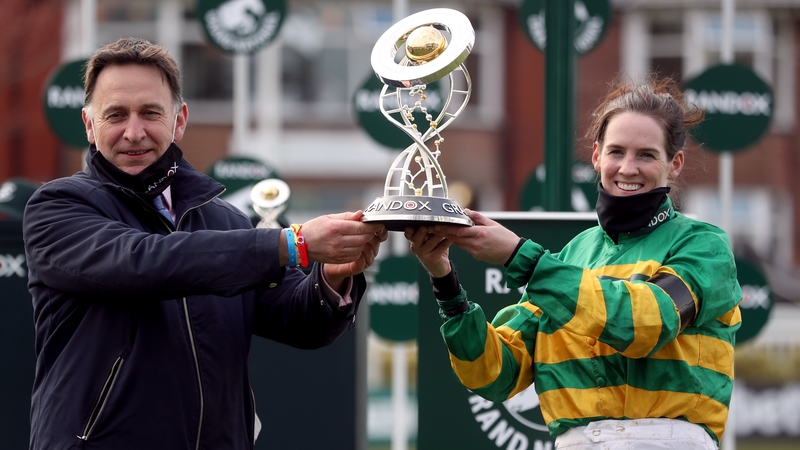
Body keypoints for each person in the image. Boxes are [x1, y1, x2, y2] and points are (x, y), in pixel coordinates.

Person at [23, 37, 387, 450]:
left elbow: (300, 322)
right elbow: (143, 262)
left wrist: (333, 278)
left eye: (150, 113)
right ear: (89, 125)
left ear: (179, 120)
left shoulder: (227, 221)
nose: (134, 131)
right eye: (116, 115)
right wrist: (293, 243)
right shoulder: (57, 207)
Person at [405, 75, 741, 449]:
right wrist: (444, 278)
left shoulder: (703, 246)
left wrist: (521, 258)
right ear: (597, 156)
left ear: (674, 164)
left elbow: (643, 323)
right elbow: (495, 375)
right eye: (616, 152)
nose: (628, 168)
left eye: (646, 154)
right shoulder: (572, 256)